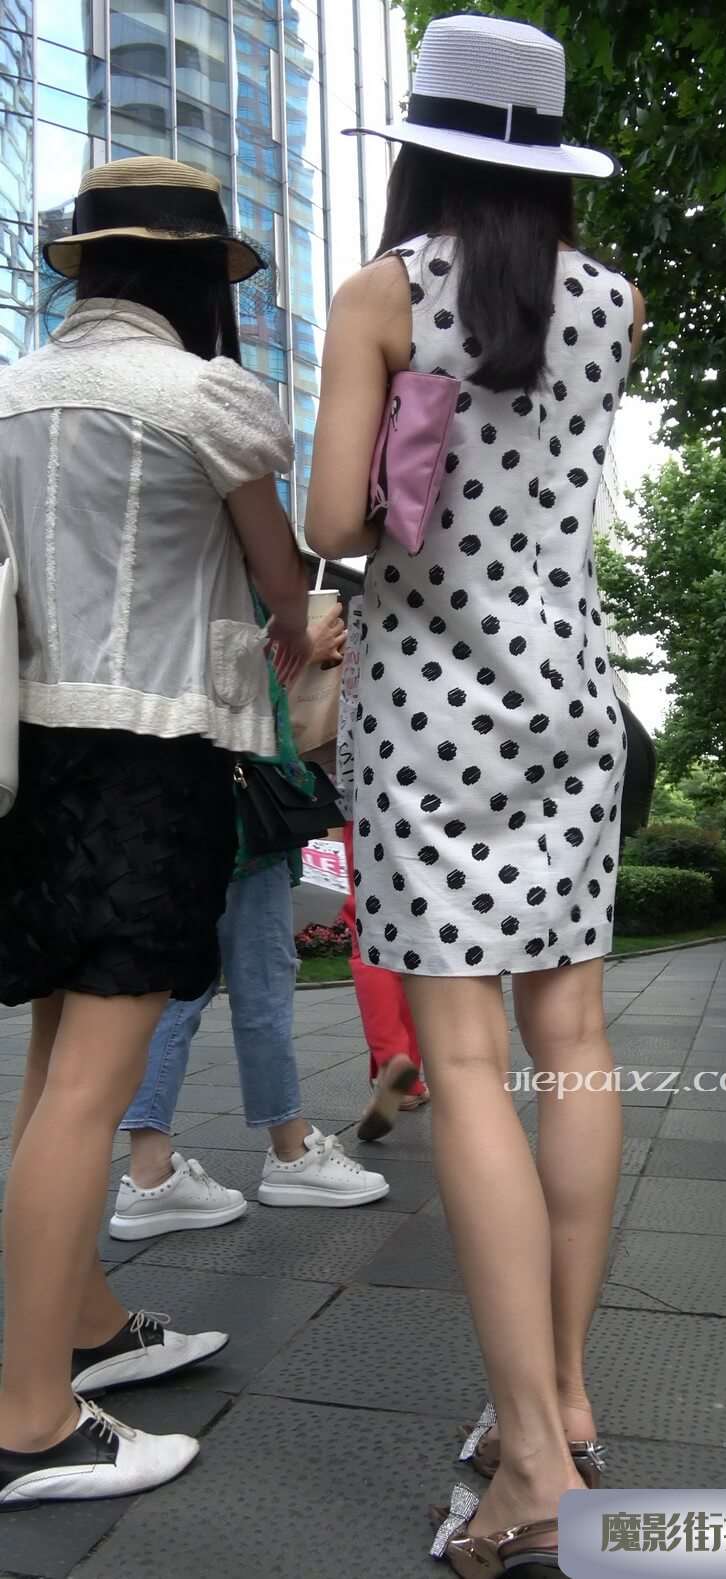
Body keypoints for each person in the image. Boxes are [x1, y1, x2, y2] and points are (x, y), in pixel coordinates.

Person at [306, 16, 644, 1571]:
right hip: (572, 697)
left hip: (430, 709)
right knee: (575, 1043)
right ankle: (564, 1393)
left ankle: (533, 1470)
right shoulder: (614, 300)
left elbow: (335, 517)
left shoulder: (383, 293)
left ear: (423, 149)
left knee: (465, 1059)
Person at [0, 156, 311, 1505]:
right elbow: (286, 587)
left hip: (26, 754)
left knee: (53, 1059)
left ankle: (82, 1323)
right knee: (89, 1083)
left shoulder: (9, 388)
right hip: (150, 754)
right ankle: (28, 1418)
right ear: (195, 275)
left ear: (90, 266)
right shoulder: (206, 395)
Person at [111, 601, 389, 1237]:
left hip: (167, 813)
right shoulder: (222, 575)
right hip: (235, 820)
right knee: (261, 988)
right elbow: (228, 691)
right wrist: (299, 648)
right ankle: (290, 1153)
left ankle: (150, 1171)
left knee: (172, 994)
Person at [336, 595, 429, 1141]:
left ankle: (394, 1059)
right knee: (418, 927)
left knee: (367, 927)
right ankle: (408, 1072)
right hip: (441, 781)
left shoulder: (367, 608)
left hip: (367, 786)